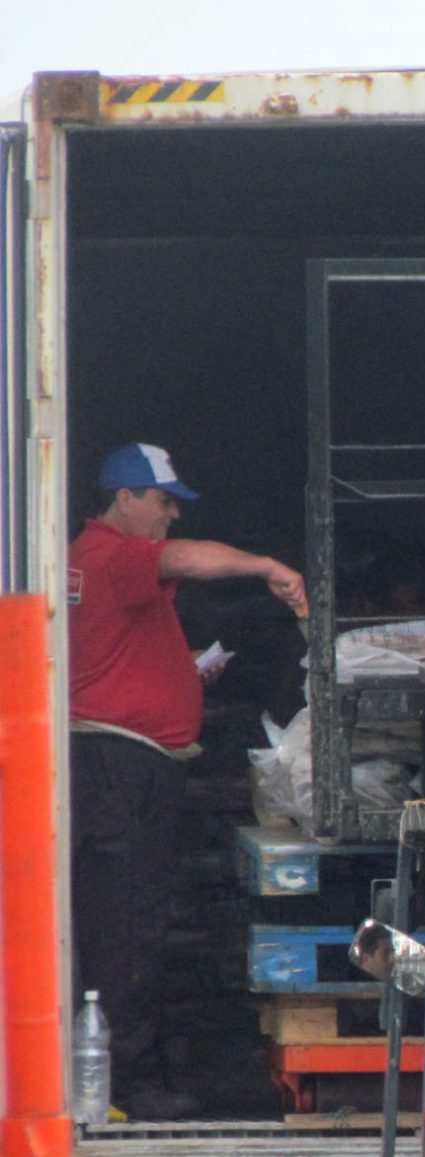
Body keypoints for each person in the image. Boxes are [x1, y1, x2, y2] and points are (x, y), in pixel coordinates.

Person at [69, 442, 306, 1119]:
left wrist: (182, 676)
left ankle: (125, 1077)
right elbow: (190, 558)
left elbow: (116, 657)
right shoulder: (113, 553)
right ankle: (127, 1088)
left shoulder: (93, 564)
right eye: (163, 500)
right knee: (128, 927)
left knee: (121, 921)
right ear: (124, 498)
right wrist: (268, 567)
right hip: (123, 771)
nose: (170, 514)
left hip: (116, 765)